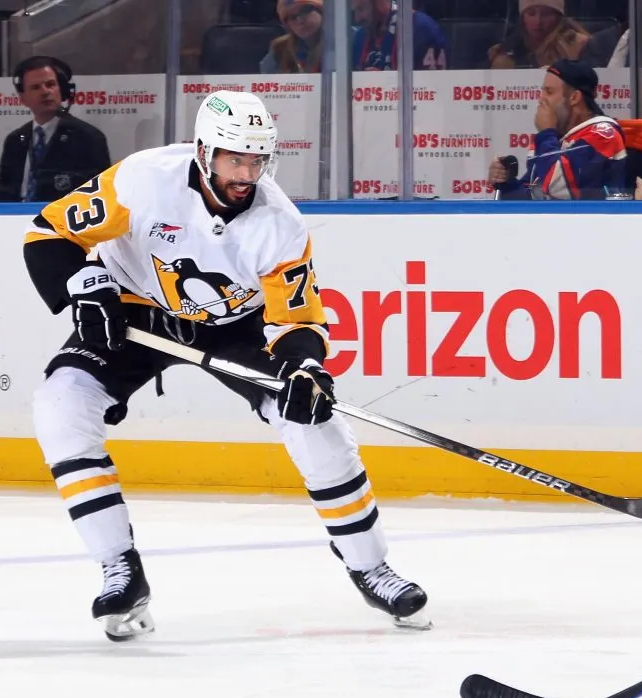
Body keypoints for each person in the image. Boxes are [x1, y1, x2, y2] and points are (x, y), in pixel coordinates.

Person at [22, 90, 429, 641]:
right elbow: (48, 234)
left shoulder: (279, 223)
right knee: (60, 404)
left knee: (316, 424)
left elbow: (297, 318)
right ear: (203, 151)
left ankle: (370, 566)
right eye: (235, 159)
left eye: (257, 161)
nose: (247, 174)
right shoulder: (143, 181)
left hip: (235, 323)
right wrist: (83, 286)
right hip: (137, 310)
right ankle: (120, 570)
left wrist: (305, 367)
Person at [488, 60, 627, 200]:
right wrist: (505, 183)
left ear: (574, 97)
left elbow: (557, 187)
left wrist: (546, 132)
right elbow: (533, 195)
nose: (540, 99)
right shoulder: (553, 138)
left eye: (549, 91)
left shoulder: (603, 134)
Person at [0, 56, 111, 203]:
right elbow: (3, 191)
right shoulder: (15, 140)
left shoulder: (88, 137)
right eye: (35, 87)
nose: (45, 91)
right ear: (22, 99)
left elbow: (101, 194)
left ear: (62, 90)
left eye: (50, 84)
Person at [488, 0, 590, 70]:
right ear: (522, 17)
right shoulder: (503, 54)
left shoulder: (579, 46)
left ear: (559, 17)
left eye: (546, 14)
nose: (538, 22)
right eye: (531, 14)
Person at [351, 0, 447, 70]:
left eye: (361, 8)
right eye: (354, 11)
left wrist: (384, 83)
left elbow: (433, 90)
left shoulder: (422, 29)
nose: (357, 19)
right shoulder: (360, 38)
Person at [260, 0, 323, 73]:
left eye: (305, 10)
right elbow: (270, 81)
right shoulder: (280, 48)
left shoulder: (338, 44)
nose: (300, 21)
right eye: (293, 17)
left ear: (321, 11)